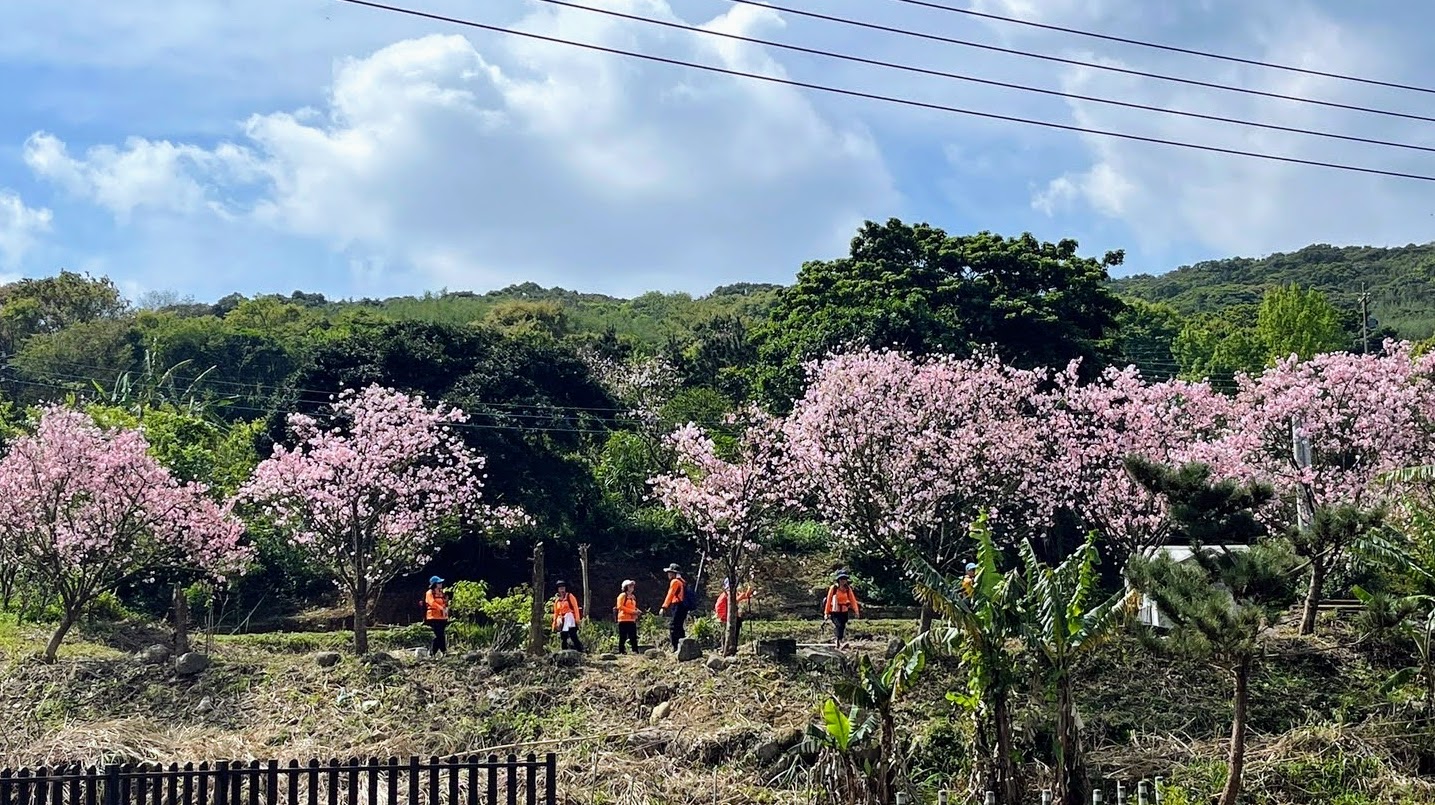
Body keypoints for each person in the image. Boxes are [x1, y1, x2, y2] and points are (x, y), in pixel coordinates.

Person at [823, 571, 861, 650]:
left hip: (844, 612)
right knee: (838, 625)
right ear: (838, 580)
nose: (843, 581)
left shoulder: (848, 589)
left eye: (844, 579)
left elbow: (852, 600)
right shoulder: (833, 588)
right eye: (841, 579)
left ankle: (839, 640)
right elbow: (829, 601)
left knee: (842, 626)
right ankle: (838, 641)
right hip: (835, 612)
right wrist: (826, 613)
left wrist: (856, 611)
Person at [714, 578, 755, 645]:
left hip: (725, 614)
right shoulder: (728, 593)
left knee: (738, 620)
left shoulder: (727, 593)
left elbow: (738, 598)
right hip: (724, 615)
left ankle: (733, 644)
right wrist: (744, 595)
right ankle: (732, 644)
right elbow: (734, 601)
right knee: (737, 622)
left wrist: (746, 594)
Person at [659, 563, 688, 651]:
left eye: (669, 572)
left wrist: (664, 607)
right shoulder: (682, 581)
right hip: (684, 606)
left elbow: (670, 594)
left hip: (678, 605)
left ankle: (675, 647)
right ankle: (682, 646)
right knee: (679, 626)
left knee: (673, 626)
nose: (668, 574)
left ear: (673, 573)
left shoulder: (675, 582)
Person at [552, 581, 585, 652]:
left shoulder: (570, 596)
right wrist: (554, 623)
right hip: (561, 620)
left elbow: (575, 608)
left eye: (563, 588)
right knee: (563, 636)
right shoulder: (557, 601)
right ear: (558, 589)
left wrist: (577, 619)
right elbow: (556, 613)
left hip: (570, 618)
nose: (562, 590)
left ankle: (580, 650)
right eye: (560, 588)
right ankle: (564, 651)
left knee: (573, 635)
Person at [614, 580, 642, 654]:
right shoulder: (622, 595)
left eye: (632, 586)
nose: (632, 587)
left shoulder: (633, 597)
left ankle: (635, 651)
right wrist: (633, 612)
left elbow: (633, 607)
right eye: (630, 586)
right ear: (625, 587)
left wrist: (637, 610)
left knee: (633, 636)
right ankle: (621, 651)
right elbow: (619, 606)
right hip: (623, 619)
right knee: (623, 636)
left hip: (631, 620)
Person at [424, 576, 449, 658]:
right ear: (434, 584)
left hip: (442, 617)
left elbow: (443, 603)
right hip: (433, 617)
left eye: (441, 582)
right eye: (439, 583)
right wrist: (441, 608)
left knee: (441, 635)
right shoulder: (429, 593)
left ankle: (435, 653)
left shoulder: (441, 592)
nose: (441, 584)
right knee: (439, 635)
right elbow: (432, 603)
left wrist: (446, 605)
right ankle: (437, 652)